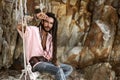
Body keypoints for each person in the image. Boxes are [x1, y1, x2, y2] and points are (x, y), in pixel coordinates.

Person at [17, 12, 73, 80]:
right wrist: (35, 17)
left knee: (69, 68)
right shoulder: (33, 30)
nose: (48, 25)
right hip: (35, 63)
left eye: (51, 23)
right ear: (42, 21)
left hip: (47, 62)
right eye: (47, 22)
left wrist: (55, 62)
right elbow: (19, 26)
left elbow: (50, 56)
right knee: (58, 71)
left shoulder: (50, 37)